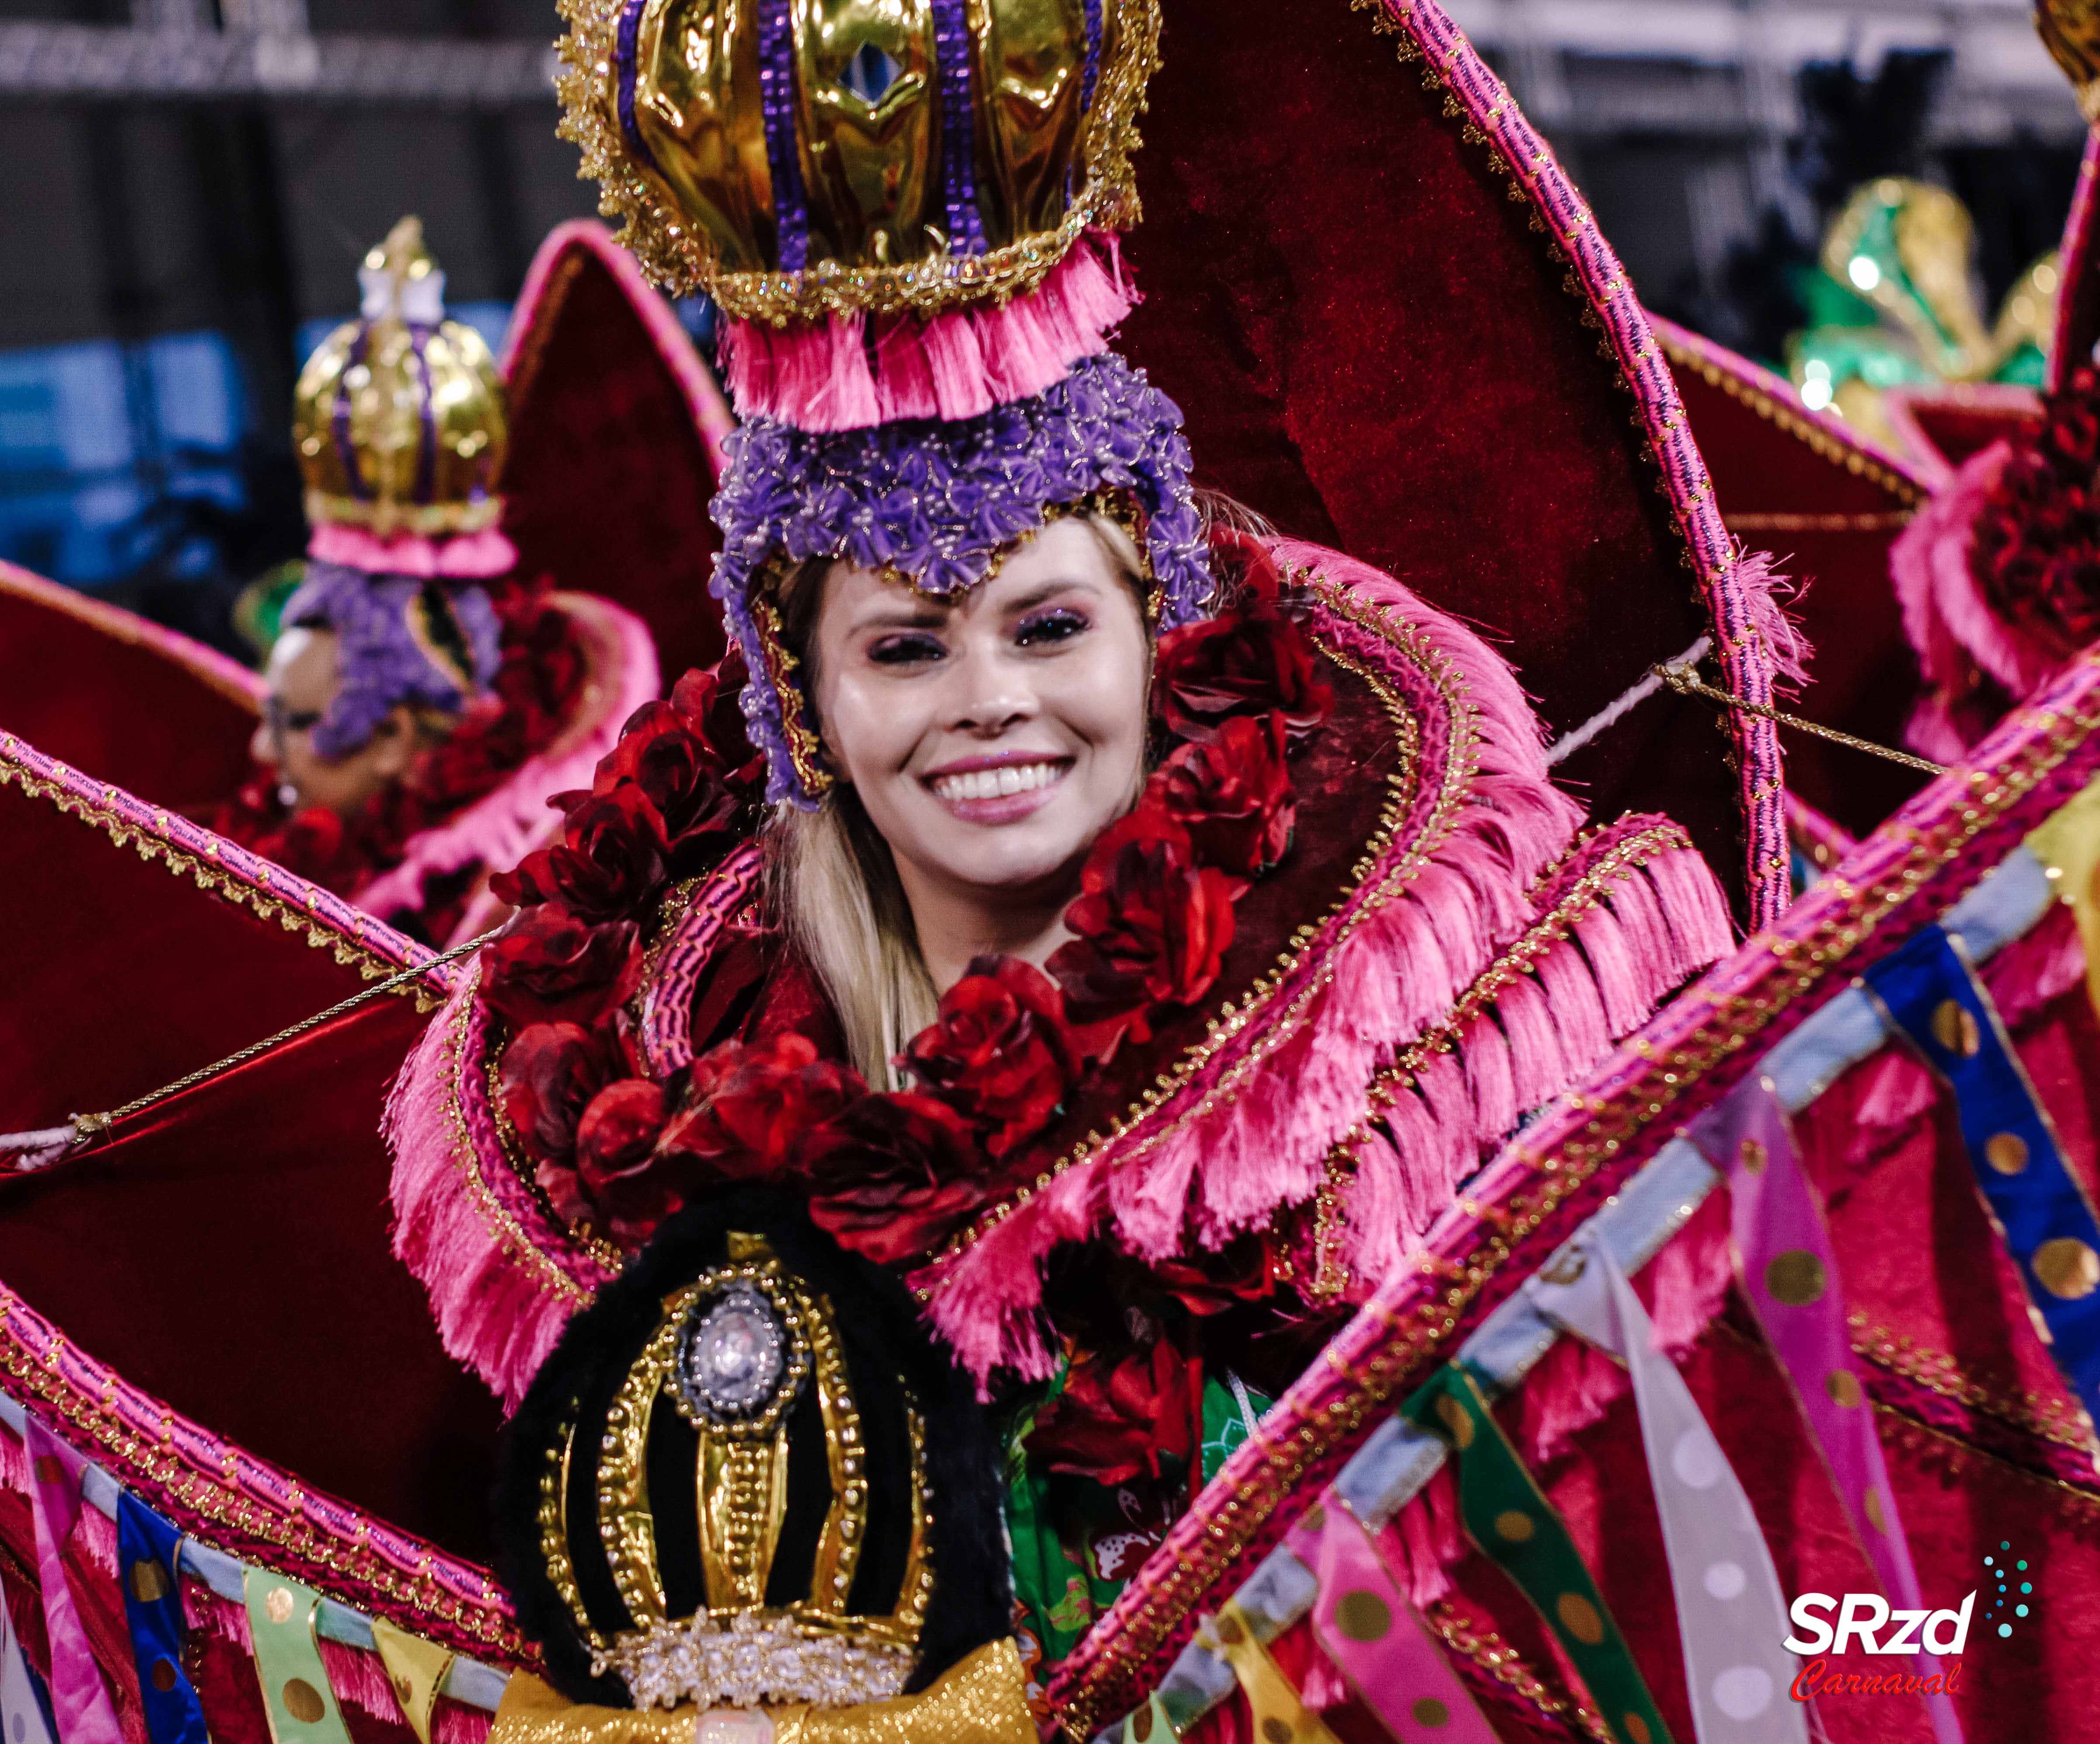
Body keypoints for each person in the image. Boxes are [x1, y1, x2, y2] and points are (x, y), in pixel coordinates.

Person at [383, 0, 1745, 1719]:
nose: (991, 707)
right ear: (798, 702)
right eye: (905, 649)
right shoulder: (673, 1120)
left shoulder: (1458, 1042)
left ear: (1157, 633)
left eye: (1048, 625)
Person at [210, 217, 667, 944]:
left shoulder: (533, 916)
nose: (263, 757)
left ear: (392, 737)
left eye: (292, 724)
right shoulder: (284, 850)